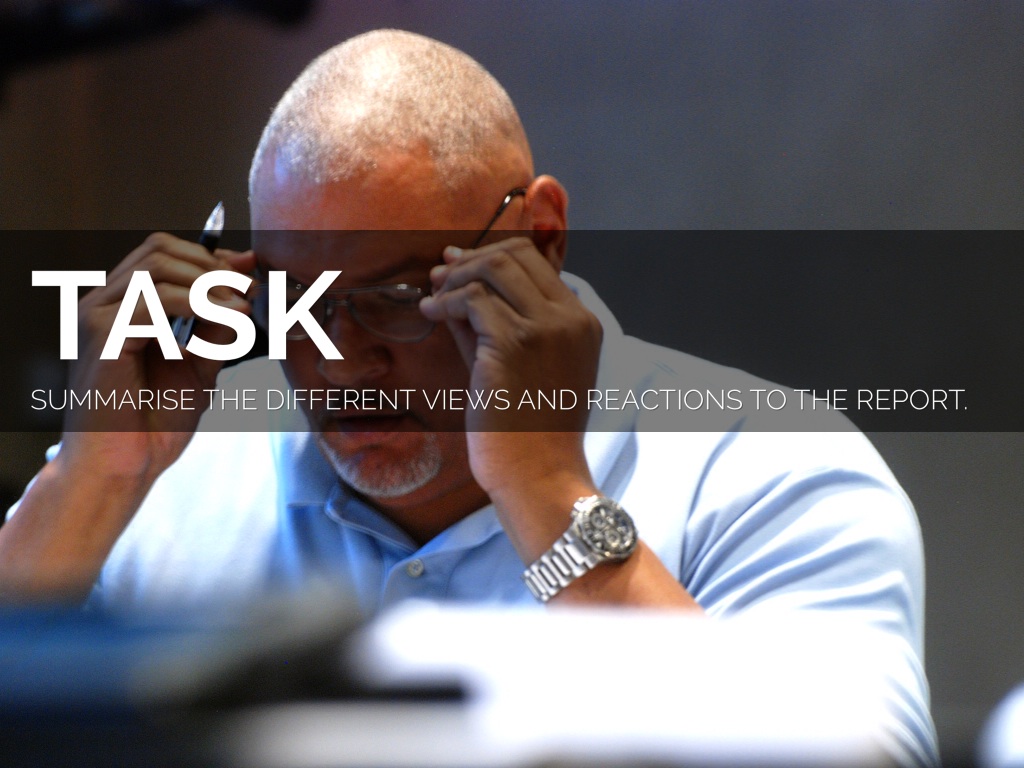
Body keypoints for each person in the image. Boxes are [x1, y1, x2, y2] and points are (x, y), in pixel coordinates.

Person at [2, 29, 936, 765]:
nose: (341, 363)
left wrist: (547, 492)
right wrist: (95, 477)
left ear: (540, 238)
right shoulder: (164, 479)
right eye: (294, 305)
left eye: (399, 296)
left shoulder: (769, 474)